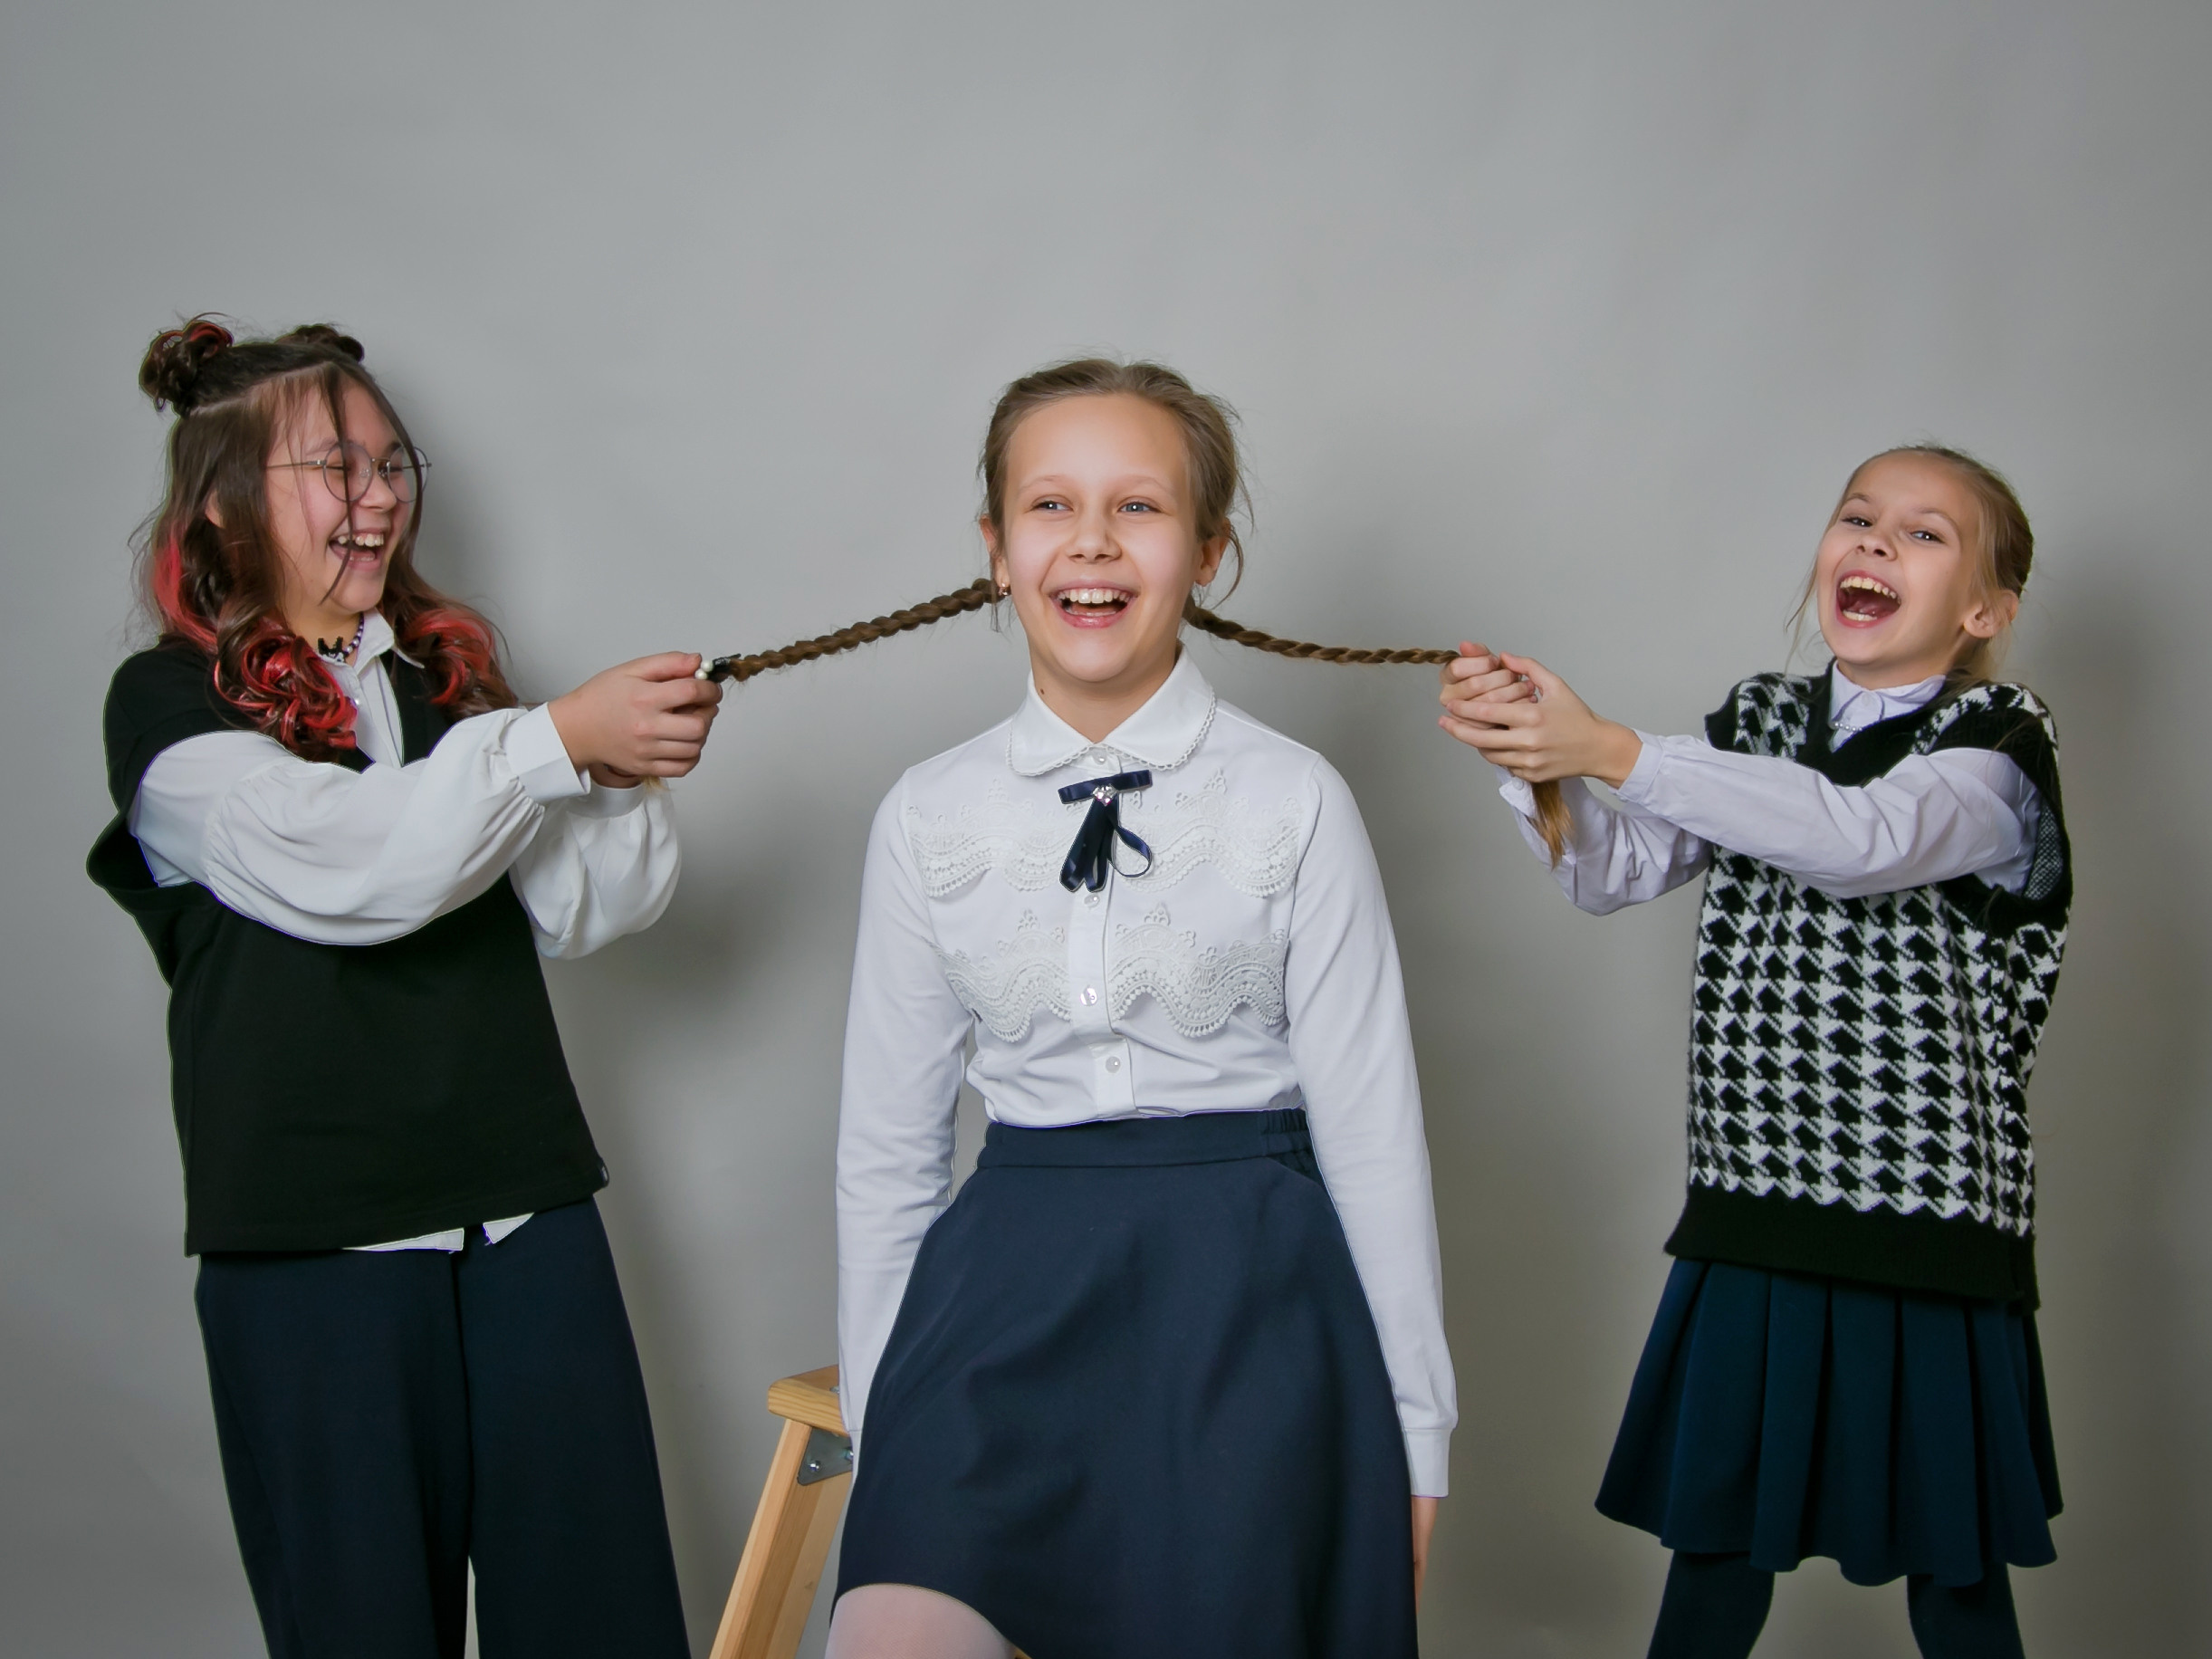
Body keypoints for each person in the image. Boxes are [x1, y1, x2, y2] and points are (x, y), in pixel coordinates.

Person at [88, 318, 723, 1659]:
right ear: (225, 505)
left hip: (528, 1224)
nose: (378, 496)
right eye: (335, 466)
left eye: (392, 463)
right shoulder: (166, 709)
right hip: (317, 1258)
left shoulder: (455, 693)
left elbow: (585, 906)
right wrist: (552, 742)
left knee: (603, 1617)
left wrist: (614, 769)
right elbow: (345, 866)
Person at [825, 360, 1455, 1659]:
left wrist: (1417, 1434)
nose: (1093, 543)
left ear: (1210, 552)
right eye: (1050, 507)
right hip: (999, 1305)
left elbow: (1375, 1137)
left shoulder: (1297, 801)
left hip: (1248, 1307)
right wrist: (889, 1421)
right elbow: (885, 1157)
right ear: (995, 552)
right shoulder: (927, 814)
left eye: (1142, 509)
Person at [1438, 446, 2068, 1658]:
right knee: (1714, 1549)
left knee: (1956, 1573)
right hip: (1755, 1205)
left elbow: (1863, 836)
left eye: (1925, 534)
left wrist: (1614, 749)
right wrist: (1531, 760)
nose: (1876, 542)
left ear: (1986, 609)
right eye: (1858, 517)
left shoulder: (2001, 745)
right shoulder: (1758, 723)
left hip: (1926, 1225)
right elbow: (1617, 870)